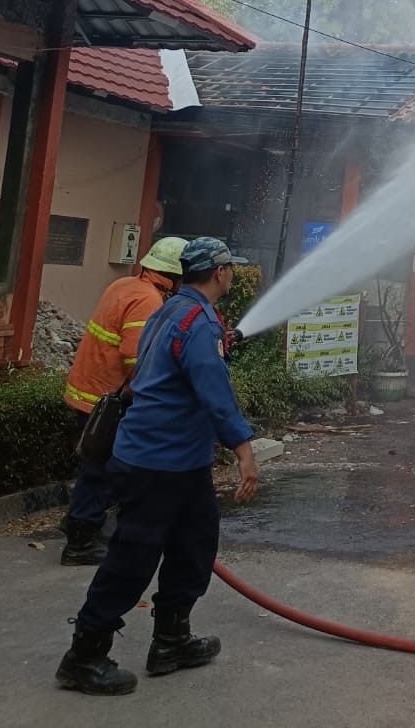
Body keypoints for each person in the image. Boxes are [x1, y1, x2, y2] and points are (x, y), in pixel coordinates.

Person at [55, 237, 260, 697]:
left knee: (194, 546)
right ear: (220, 273)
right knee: (134, 557)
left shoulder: (169, 310)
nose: (232, 275)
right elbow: (213, 388)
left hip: (179, 462)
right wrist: (244, 447)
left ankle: (171, 641)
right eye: (231, 269)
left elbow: (173, 367)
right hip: (157, 461)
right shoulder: (194, 320)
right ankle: (83, 656)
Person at [60, 236, 189, 565]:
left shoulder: (124, 285)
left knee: (98, 467)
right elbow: (136, 359)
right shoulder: (148, 301)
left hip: (89, 395)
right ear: (174, 275)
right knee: (104, 471)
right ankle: (81, 541)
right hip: (109, 401)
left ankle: (82, 522)